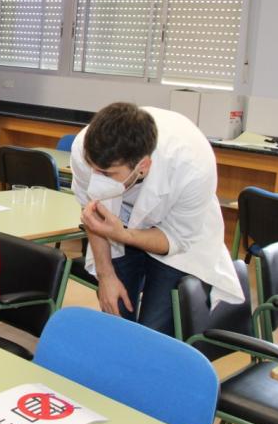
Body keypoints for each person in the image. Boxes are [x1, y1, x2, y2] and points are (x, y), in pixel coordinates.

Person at [71, 102, 244, 335]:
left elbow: (175, 239)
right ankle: (119, 369)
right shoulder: (85, 149)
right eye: (93, 169)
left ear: (142, 166)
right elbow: (93, 219)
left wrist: (122, 234)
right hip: (117, 226)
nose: (97, 178)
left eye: (107, 174)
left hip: (173, 234)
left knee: (155, 330)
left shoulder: (192, 167)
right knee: (116, 314)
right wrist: (105, 276)